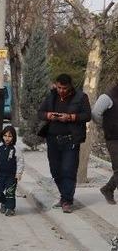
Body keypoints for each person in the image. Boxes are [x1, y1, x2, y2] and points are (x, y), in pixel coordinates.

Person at [37, 74, 92, 213]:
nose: (61, 90)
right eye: (59, 87)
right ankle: (64, 196)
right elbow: (40, 112)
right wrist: (48, 115)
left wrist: (70, 117)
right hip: (52, 139)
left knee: (68, 170)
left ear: (70, 86)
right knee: (55, 170)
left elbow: (87, 115)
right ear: (56, 85)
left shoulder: (81, 97)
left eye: (64, 88)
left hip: (70, 139)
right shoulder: (51, 96)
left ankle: (67, 200)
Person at [92, 82, 118, 204]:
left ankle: (108, 188)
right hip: (114, 138)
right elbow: (95, 114)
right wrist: (106, 125)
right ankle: (108, 189)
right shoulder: (107, 97)